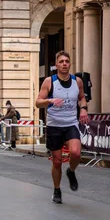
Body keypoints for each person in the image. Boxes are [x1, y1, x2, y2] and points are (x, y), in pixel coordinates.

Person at [36, 50, 89, 204]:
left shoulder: (77, 81)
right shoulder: (49, 81)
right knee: (57, 161)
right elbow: (38, 101)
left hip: (71, 123)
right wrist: (50, 101)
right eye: (61, 62)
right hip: (54, 125)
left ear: (69, 63)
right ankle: (57, 189)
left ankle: (71, 171)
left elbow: (82, 97)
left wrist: (84, 109)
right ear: (56, 64)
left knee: (76, 153)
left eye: (67, 61)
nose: (64, 64)